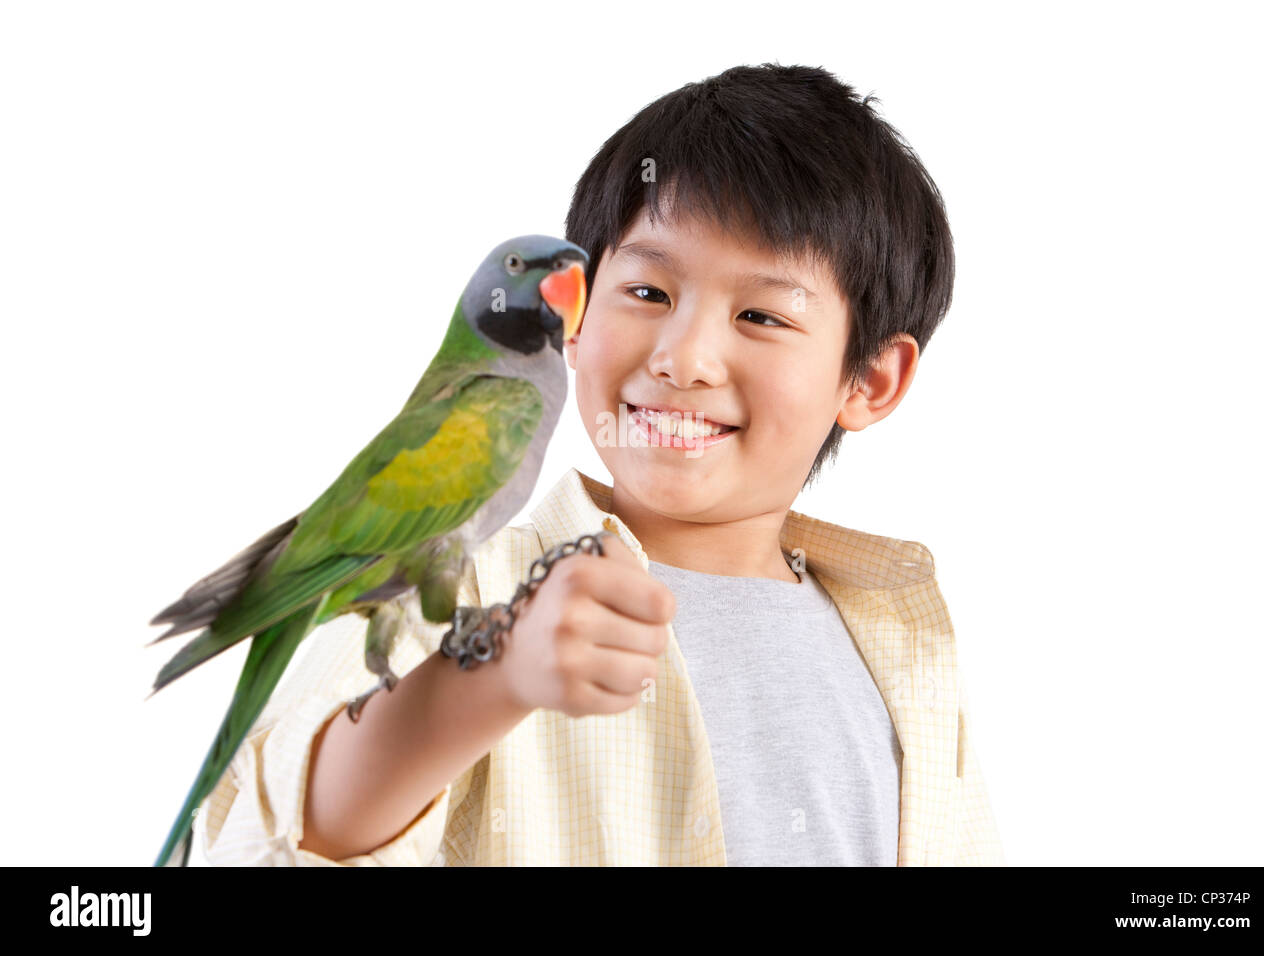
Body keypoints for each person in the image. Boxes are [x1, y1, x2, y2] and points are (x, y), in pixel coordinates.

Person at [199, 63, 1005, 866]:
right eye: (649, 293)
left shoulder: (905, 650)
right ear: (573, 318)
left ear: (868, 380)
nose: (683, 358)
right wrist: (493, 675)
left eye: (760, 315)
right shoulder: (459, 590)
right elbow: (278, 832)